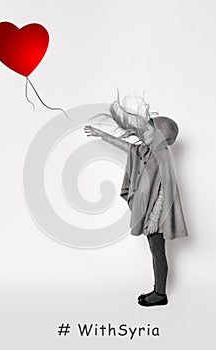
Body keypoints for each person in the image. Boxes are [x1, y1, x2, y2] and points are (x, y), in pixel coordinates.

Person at [83, 95, 188, 307]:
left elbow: (163, 191)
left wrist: (153, 220)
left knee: (158, 253)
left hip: (156, 217)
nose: (144, 133)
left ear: (160, 136)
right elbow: (128, 147)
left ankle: (160, 294)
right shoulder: (150, 152)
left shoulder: (162, 156)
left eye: (149, 131)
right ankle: (157, 290)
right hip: (151, 214)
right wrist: (102, 135)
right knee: (155, 252)